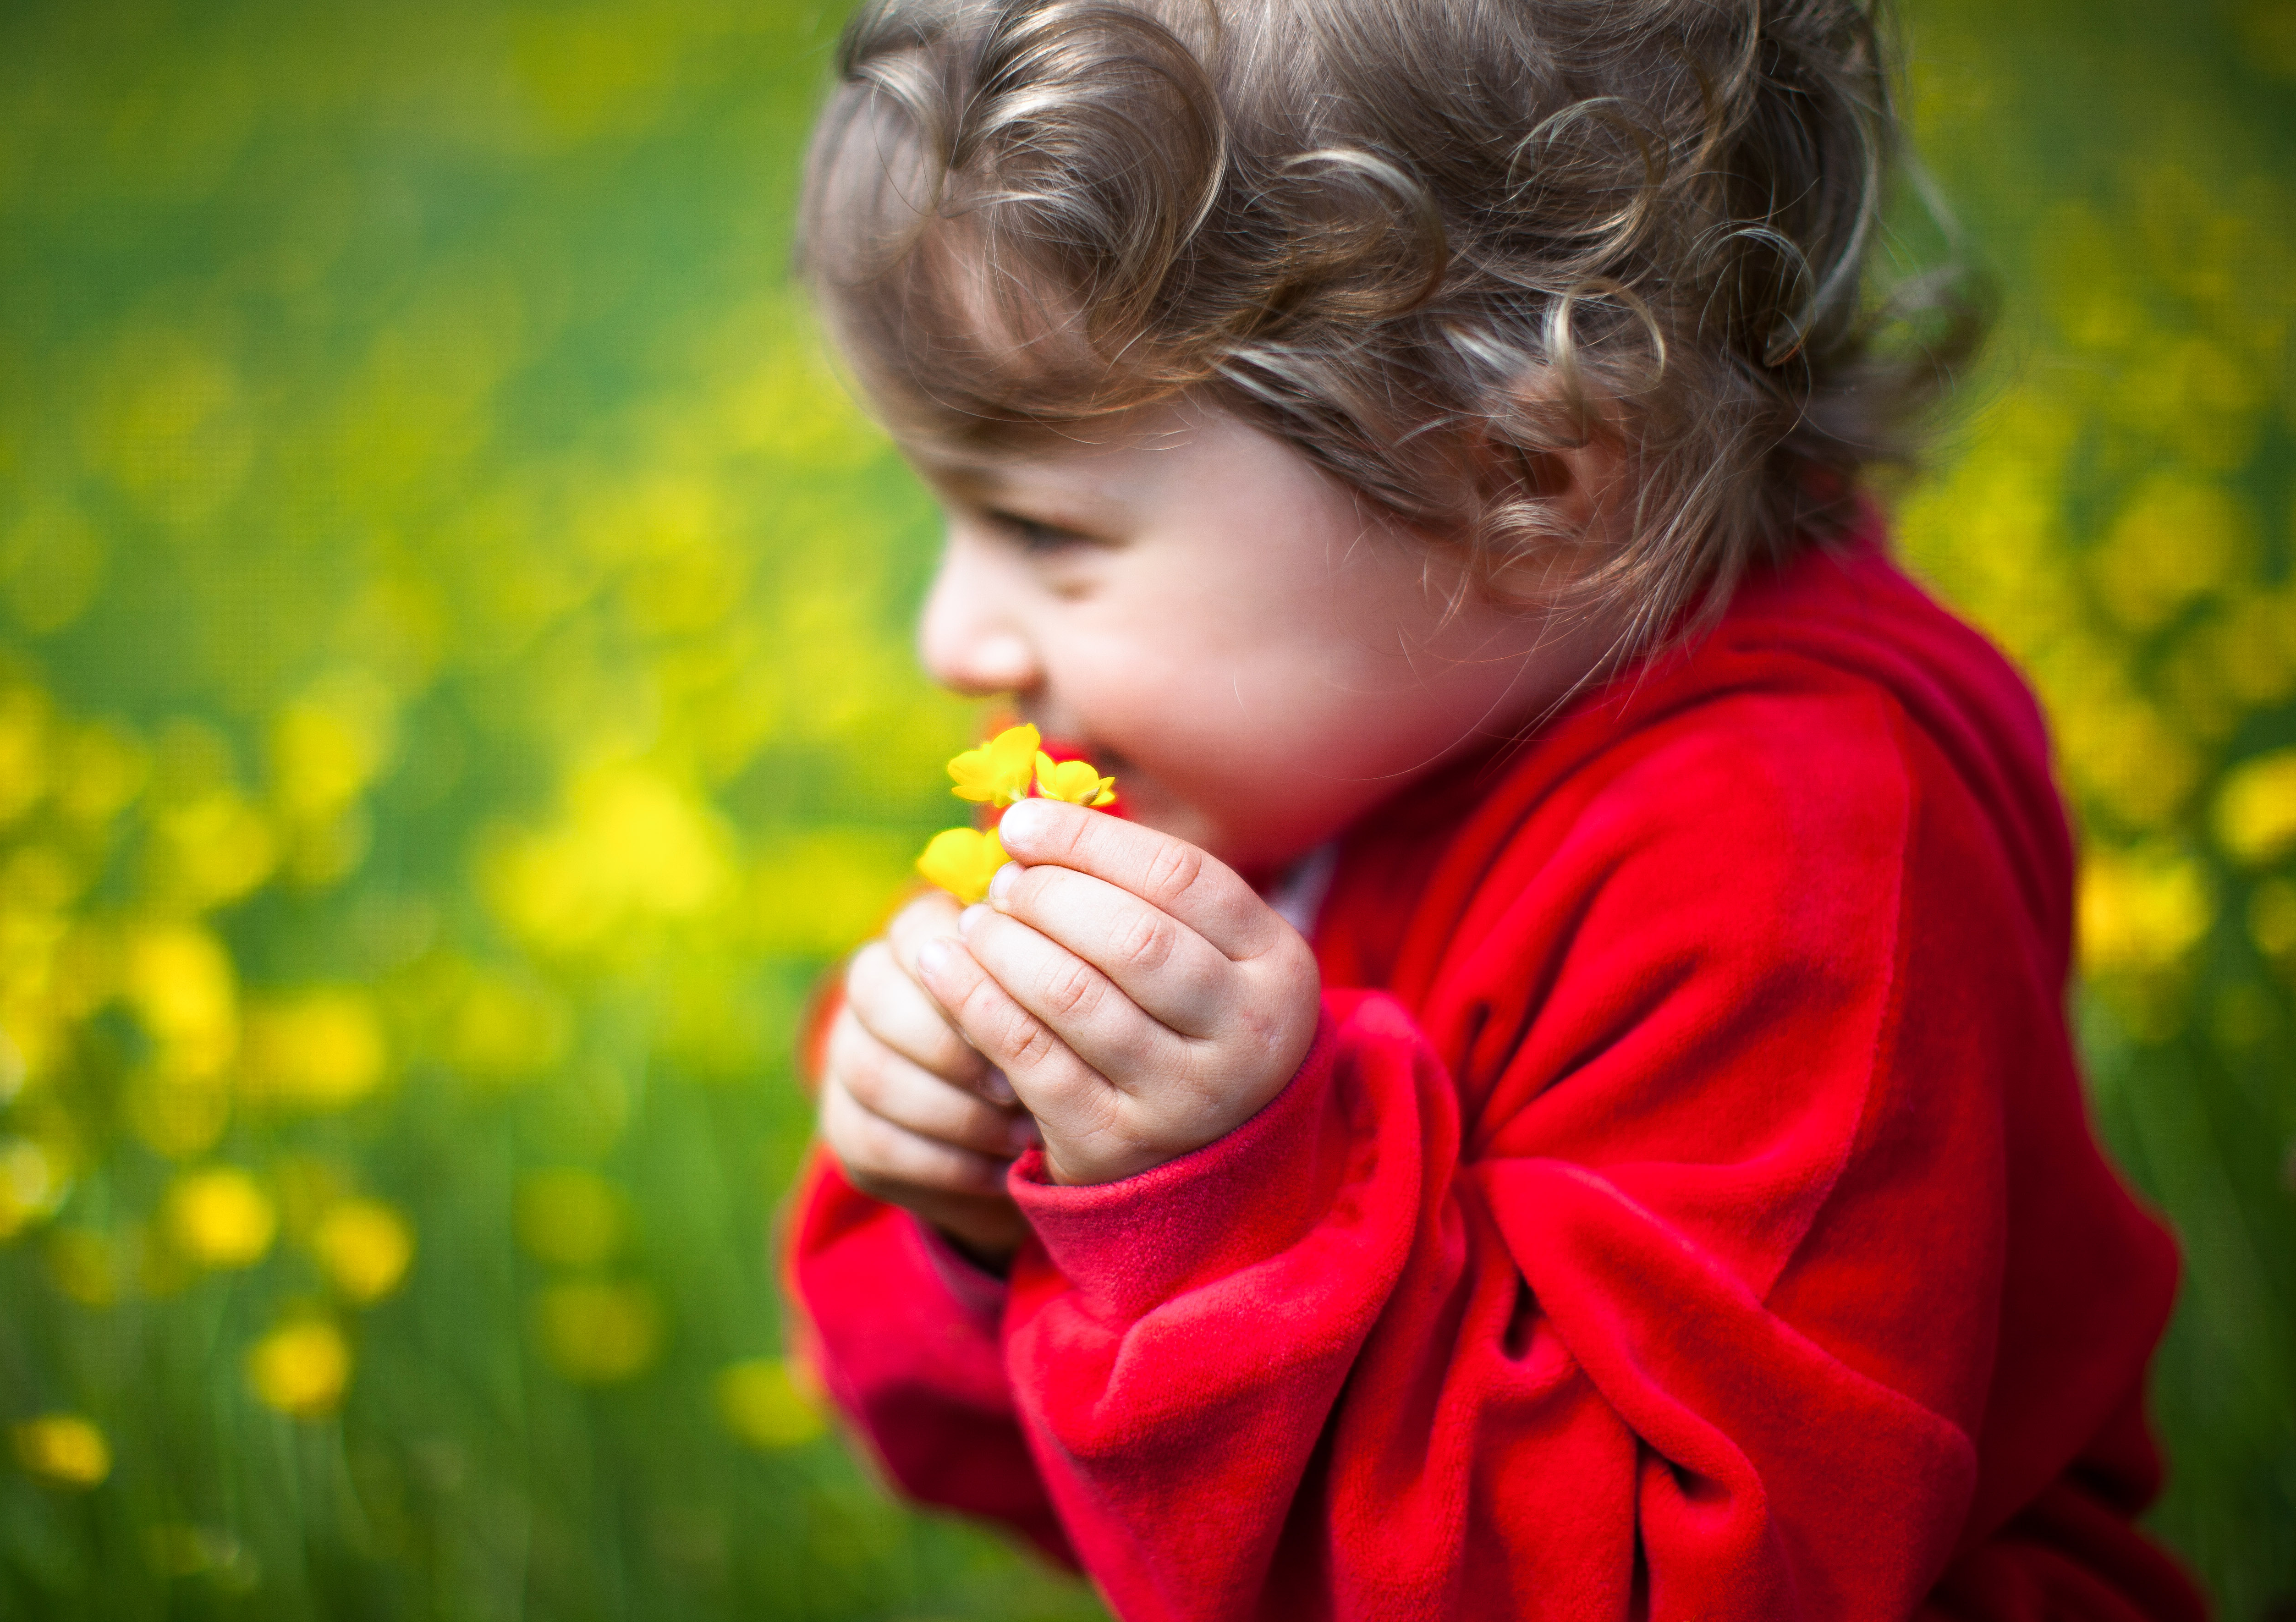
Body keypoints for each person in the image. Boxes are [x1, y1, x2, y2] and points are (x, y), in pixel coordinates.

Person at [782, 2, 2207, 1617]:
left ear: (1524, 471)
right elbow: (1121, 1514)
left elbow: (1690, 1582)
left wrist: (1232, 1211)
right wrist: (983, 1211)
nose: (948, 638)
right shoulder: (1328, 734)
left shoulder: (1789, 865)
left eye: (1043, 530)